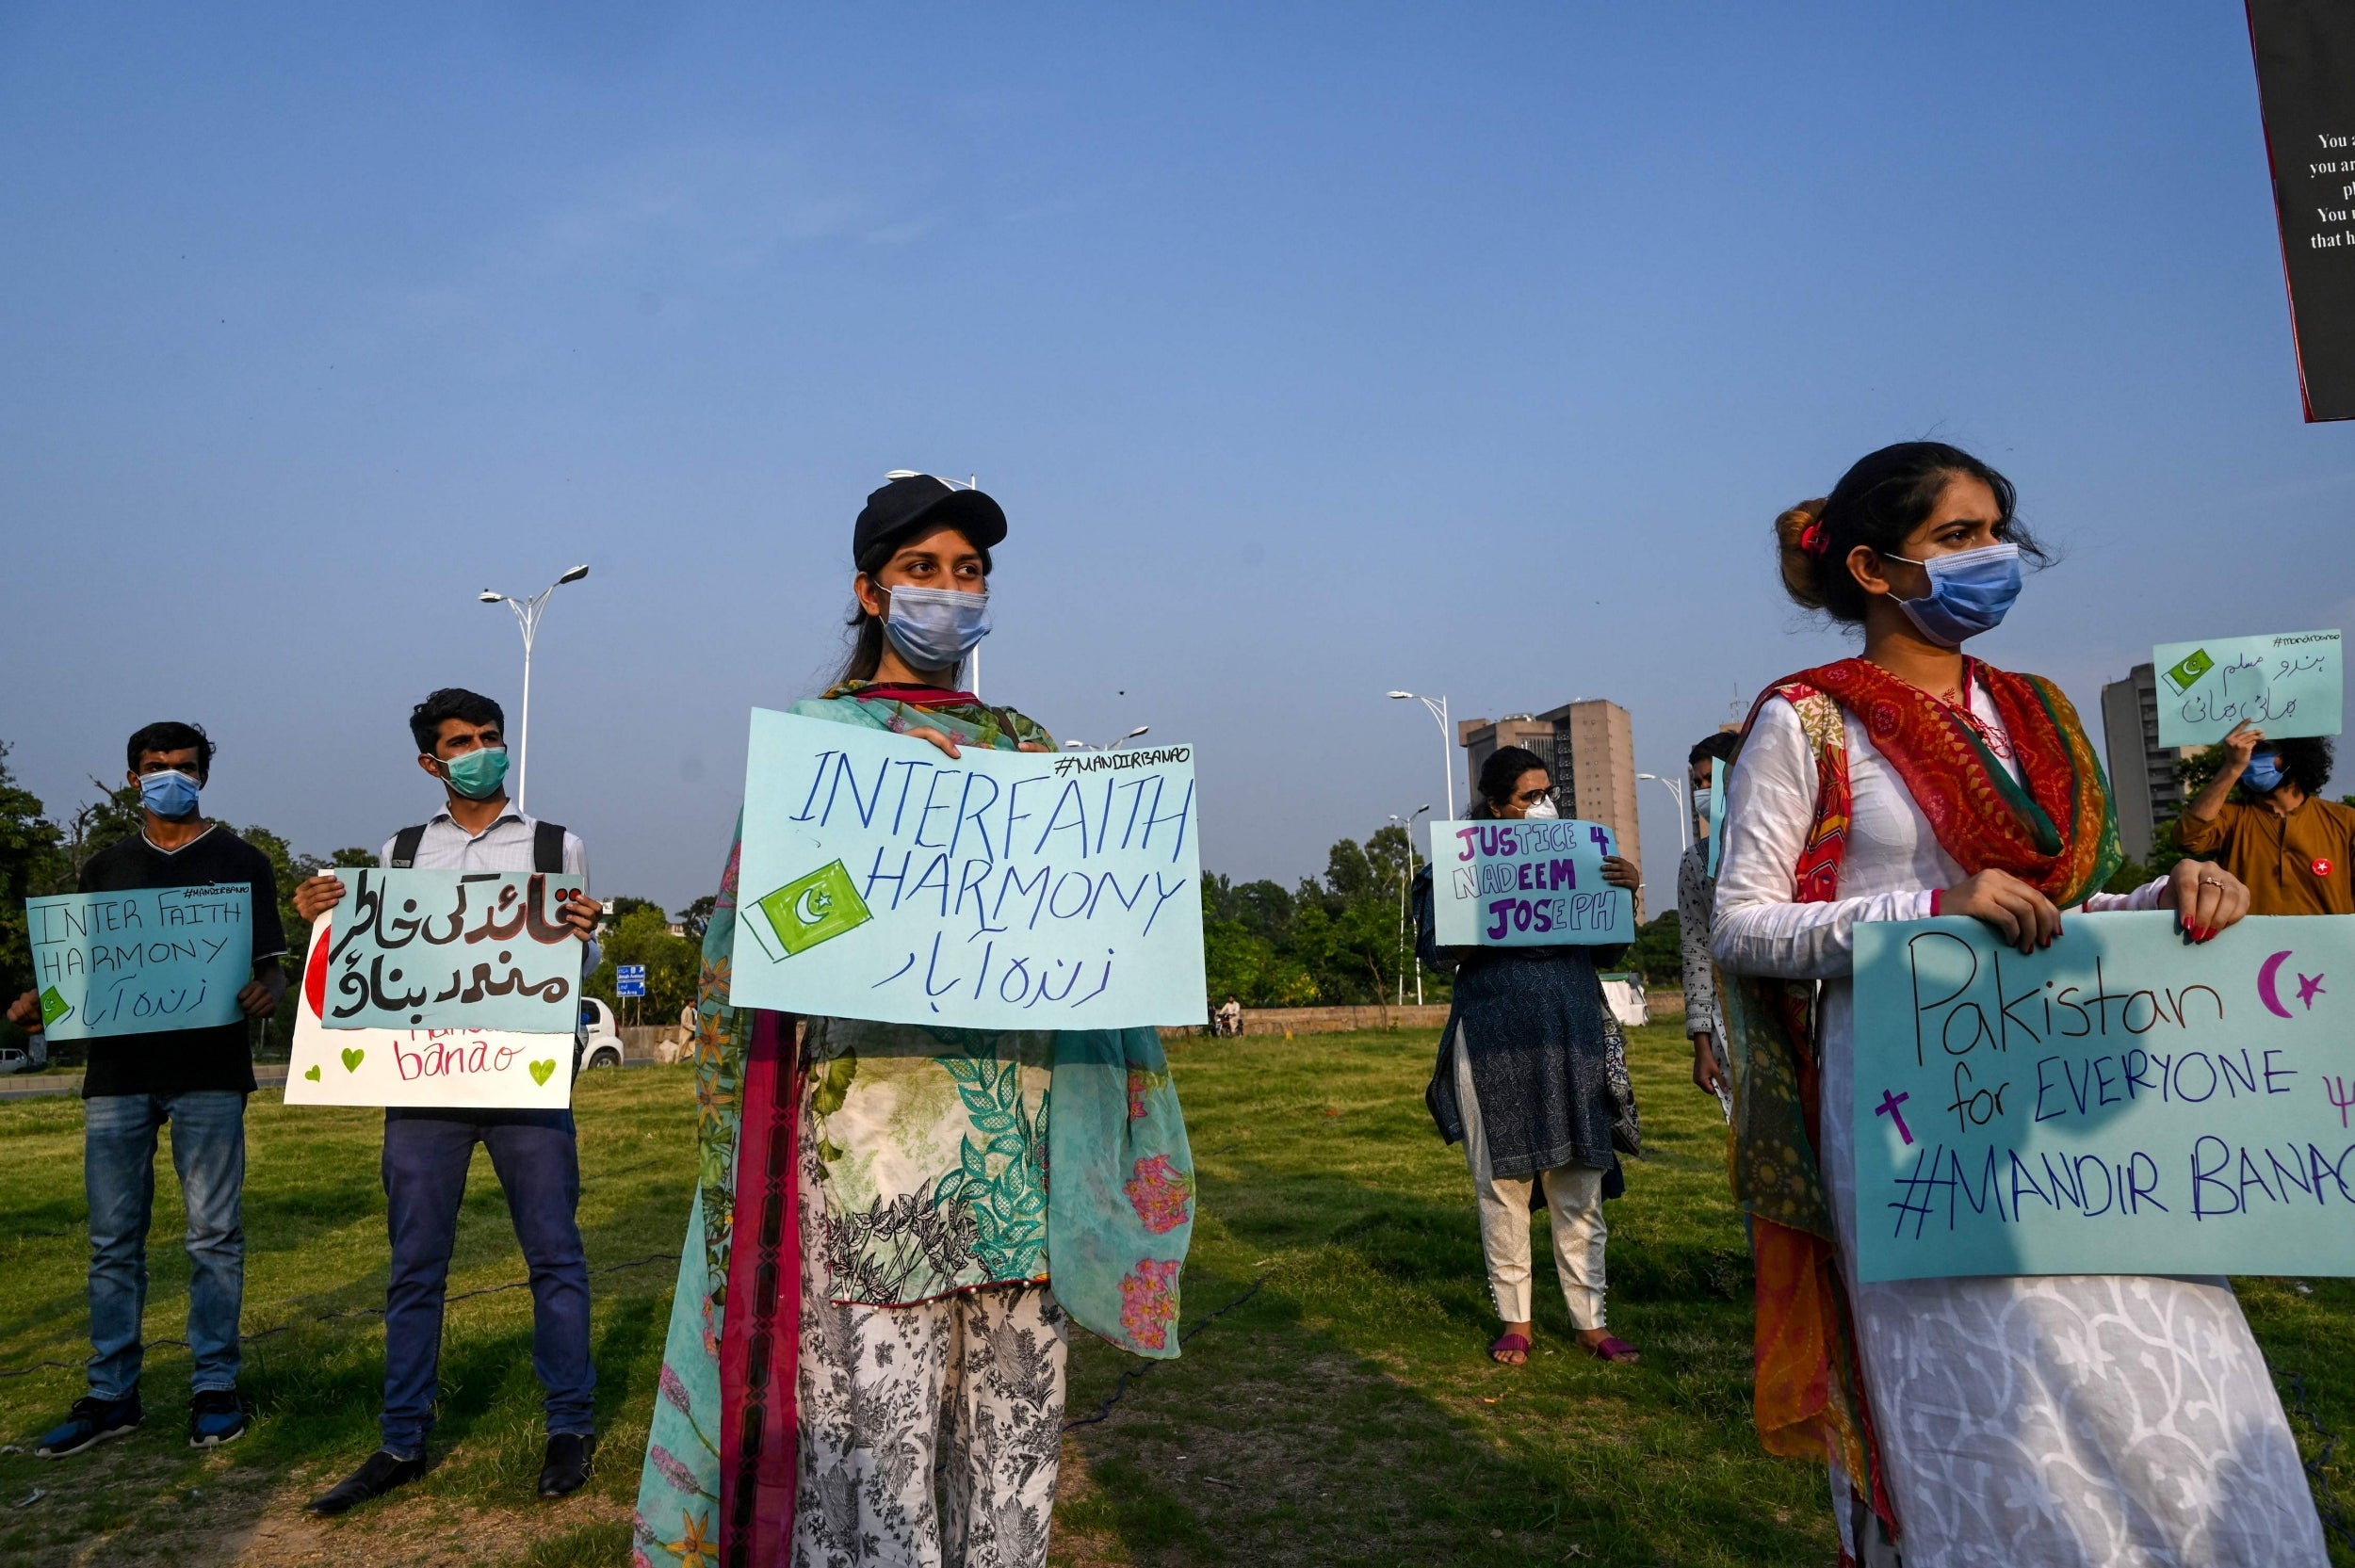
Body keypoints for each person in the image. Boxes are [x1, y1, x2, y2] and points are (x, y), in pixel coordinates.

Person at [1710, 441, 2321, 1566]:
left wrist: (2168, 892)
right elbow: (1740, 925)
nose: (1992, 556)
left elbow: (2058, 911)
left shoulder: (2033, 713)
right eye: (1957, 537)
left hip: (2082, 1108)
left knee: (2167, 1365)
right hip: (1914, 1116)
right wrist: (1925, 911)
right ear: (1873, 567)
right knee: (1979, 1399)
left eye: (1998, 530)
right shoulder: (1806, 721)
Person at [632, 475, 1194, 1568]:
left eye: (969, 571)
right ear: (870, 590)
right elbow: (762, 941)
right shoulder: (821, 750)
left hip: (1024, 1166)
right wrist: (886, 849)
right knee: (878, 1466)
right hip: (878, 1167)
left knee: (1018, 1448)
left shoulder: (1027, 747)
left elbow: (1097, 935)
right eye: (922, 570)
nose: (949, 592)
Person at [292, 688, 606, 1512]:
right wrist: (319, 918)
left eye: (490, 736)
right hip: (423, 1086)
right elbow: (355, 956)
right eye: (460, 742)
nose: (480, 750)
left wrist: (588, 933)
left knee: (555, 1255)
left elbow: (579, 961)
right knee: (415, 1266)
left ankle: (569, 1426)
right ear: (431, 761)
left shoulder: (555, 842)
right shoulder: (397, 852)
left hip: (525, 1084)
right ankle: (402, 1439)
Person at [9, 722, 287, 1457]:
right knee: (111, 1241)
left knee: (214, 1235)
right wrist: (46, 998)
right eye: (157, 766)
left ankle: (215, 1385)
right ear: (133, 776)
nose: (173, 776)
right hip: (117, 1078)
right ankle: (111, 1394)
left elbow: (273, 966)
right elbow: (87, 965)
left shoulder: (242, 860)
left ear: (205, 774)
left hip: (210, 1075)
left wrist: (267, 990)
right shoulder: (105, 866)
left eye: (186, 766)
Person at [1414, 745, 1642, 1367]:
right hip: (1492, 1042)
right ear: (1494, 805)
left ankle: (1590, 1320)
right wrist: (1471, 913)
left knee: (1579, 1184)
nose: (1542, 806)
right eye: (1527, 797)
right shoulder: (1456, 865)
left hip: (1572, 1040)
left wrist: (1627, 890)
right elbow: (1435, 950)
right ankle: (1516, 1319)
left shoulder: (1586, 857)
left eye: (1547, 793)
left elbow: (1610, 949)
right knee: (1502, 1184)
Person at [2174, 721, 2355, 914]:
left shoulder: (2345, 820)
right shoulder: (2231, 817)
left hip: (2328, 942)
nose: (2252, 761)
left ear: (2294, 754)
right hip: (2251, 942)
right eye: (2249, 752)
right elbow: (2188, 838)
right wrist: (2232, 768)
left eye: (2263, 750)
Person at [1679, 731, 1741, 1112]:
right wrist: (1701, 1043)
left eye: (1710, 780)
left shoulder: (1797, 839)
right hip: (1731, 1020)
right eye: (1697, 783)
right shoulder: (1696, 862)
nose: (1703, 791)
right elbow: (1696, 949)